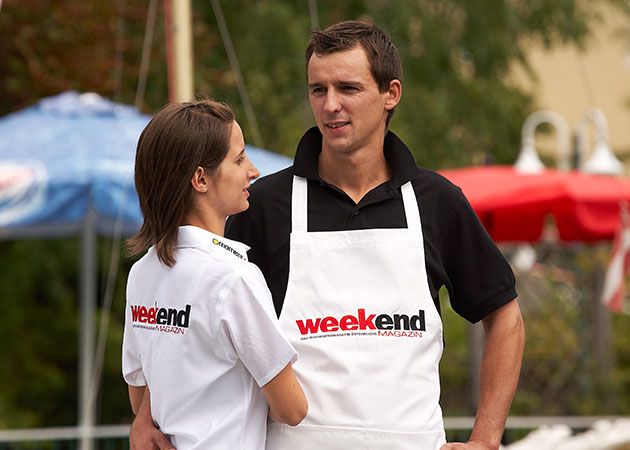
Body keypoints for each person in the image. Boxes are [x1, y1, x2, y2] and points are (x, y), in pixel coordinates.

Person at [131, 21, 524, 450]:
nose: (330, 105)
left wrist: (485, 439)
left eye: (348, 88)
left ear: (391, 93)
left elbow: (505, 316)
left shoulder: (436, 201)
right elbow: (188, 317)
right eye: (318, 90)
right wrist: (147, 417)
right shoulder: (262, 205)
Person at [122, 100, 307, 450]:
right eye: (239, 159)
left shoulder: (141, 272)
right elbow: (292, 409)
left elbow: (140, 395)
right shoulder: (234, 277)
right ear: (201, 179)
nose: (253, 171)